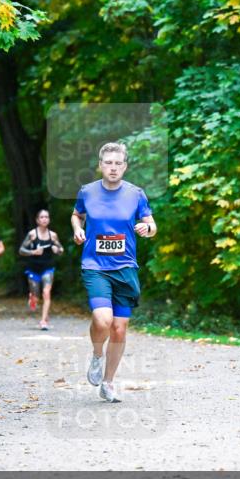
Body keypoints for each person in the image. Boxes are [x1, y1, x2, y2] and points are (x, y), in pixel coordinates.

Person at [72, 142, 157, 402]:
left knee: (120, 329)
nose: (113, 168)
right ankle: (97, 355)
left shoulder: (136, 194)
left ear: (125, 166)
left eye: (118, 163)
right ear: (100, 165)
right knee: (103, 320)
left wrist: (147, 229)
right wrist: (77, 229)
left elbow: (151, 224)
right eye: (108, 163)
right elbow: (77, 215)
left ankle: (108, 383)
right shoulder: (87, 192)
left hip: (126, 268)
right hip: (96, 266)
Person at [19, 209, 64, 330]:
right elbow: (21, 250)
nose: (44, 219)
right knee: (36, 295)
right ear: (37, 220)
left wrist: (57, 249)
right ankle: (32, 297)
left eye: (46, 217)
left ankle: (43, 321)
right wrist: (33, 251)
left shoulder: (53, 235)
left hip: (47, 268)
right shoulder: (32, 235)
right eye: (42, 217)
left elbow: (61, 249)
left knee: (46, 293)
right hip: (33, 269)